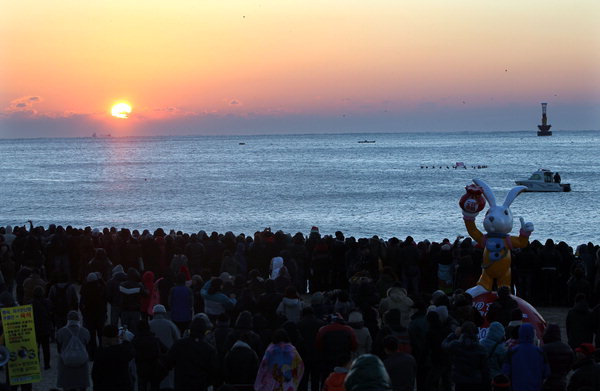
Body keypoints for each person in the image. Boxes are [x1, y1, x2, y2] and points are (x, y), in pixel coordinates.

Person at [167, 316, 219, 391]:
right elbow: (214, 371)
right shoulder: (209, 349)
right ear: (204, 331)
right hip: (200, 385)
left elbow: (168, 362)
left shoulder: (179, 345)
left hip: (182, 385)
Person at [442, 321, 490, 391]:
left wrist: (454, 335)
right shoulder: (481, 349)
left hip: (460, 381)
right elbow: (485, 370)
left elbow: (444, 345)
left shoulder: (455, 345)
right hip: (475, 382)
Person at [503, 323, 550, 391]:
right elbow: (547, 372)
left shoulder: (512, 352)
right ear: (533, 334)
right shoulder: (540, 352)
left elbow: (505, 371)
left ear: (520, 333)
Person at [91, 324, 135, 391]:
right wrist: (125, 340)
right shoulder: (122, 351)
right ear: (117, 337)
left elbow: (95, 374)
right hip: (121, 387)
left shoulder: (100, 352)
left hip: (104, 386)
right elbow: (130, 352)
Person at [56, 310, 91, 391]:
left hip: (66, 363)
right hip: (81, 364)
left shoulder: (61, 331)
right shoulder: (85, 331)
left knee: (67, 386)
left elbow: (59, 344)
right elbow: (87, 342)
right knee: (82, 386)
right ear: (78, 319)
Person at [148, 304, 180, 390]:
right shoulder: (170, 324)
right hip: (168, 354)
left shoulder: (149, 324)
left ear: (153, 313)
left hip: (152, 356)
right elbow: (178, 339)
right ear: (164, 313)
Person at [132, 320, 167, 391]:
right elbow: (166, 350)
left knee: (142, 386)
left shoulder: (135, 341)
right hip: (154, 367)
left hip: (141, 368)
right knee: (155, 386)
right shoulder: (154, 339)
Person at [541, 323, 575, 391]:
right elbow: (571, 365)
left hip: (548, 381)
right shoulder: (568, 348)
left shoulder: (544, 349)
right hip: (561, 381)